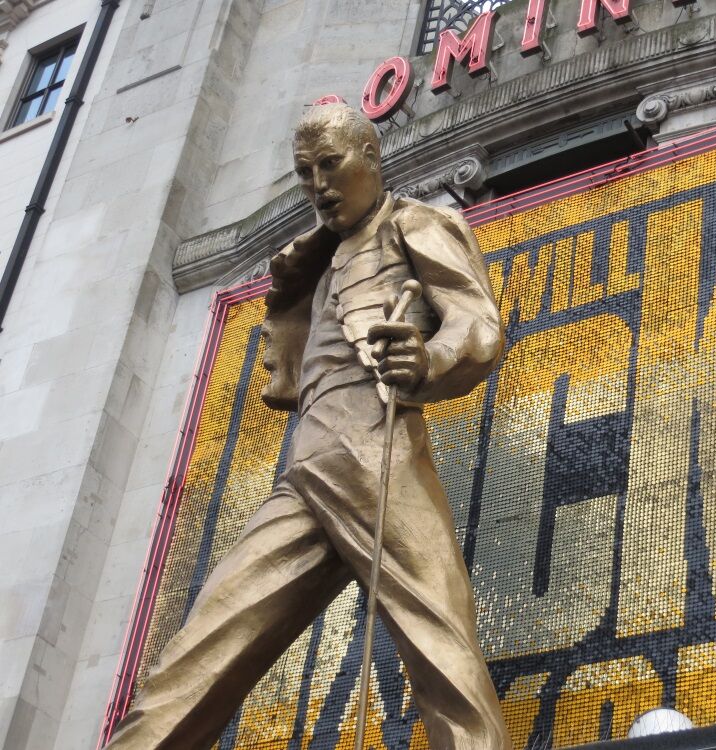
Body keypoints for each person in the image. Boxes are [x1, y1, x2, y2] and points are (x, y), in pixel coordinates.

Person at [106, 103, 513, 750]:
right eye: (304, 172)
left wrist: (429, 357)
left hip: (379, 453)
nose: (318, 185)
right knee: (202, 649)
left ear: (370, 157)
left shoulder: (414, 223)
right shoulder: (315, 259)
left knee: (443, 652)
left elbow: (477, 323)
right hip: (306, 469)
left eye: (330, 164)